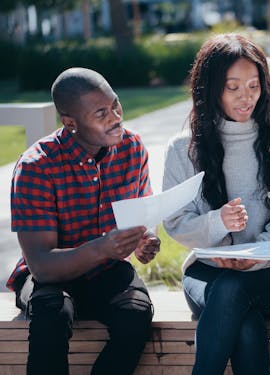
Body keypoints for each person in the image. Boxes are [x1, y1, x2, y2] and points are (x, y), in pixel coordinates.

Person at [162, 33, 270, 375]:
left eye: (254, 85)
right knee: (242, 321)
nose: (246, 97)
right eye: (233, 88)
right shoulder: (182, 148)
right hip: (205, 271)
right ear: (211, 88)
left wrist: (254, 258)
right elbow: (176, 223)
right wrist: (217, 223)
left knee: (233, 289)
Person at [6, 67, 161, 375]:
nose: (115, 116)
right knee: (52, 312)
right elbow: (41, 265)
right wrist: (103, 248)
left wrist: (146, 239)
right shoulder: (36, 167)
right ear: (70, 123)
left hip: (105, 272)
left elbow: (146, 210)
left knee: (137, 314)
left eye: (115, 104)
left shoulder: (132, 147)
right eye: (101, 112)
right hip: (51, 277)